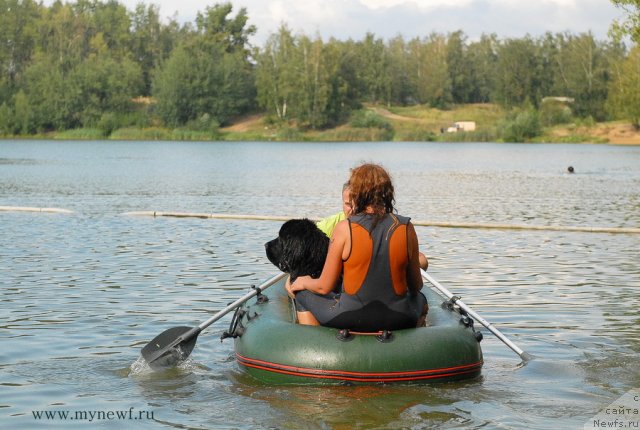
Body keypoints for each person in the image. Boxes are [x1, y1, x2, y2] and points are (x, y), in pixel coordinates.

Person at [288, 163, 428, 330]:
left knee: (303, 295)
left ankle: (318, 347)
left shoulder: (344, 228)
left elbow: (323, 287)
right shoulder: (406, 227)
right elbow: (416, 285)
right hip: (400, 317)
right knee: (421, 299)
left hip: (350, 317)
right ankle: (412, 345)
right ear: (387, 191)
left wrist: (305, 282)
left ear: (357, 192)